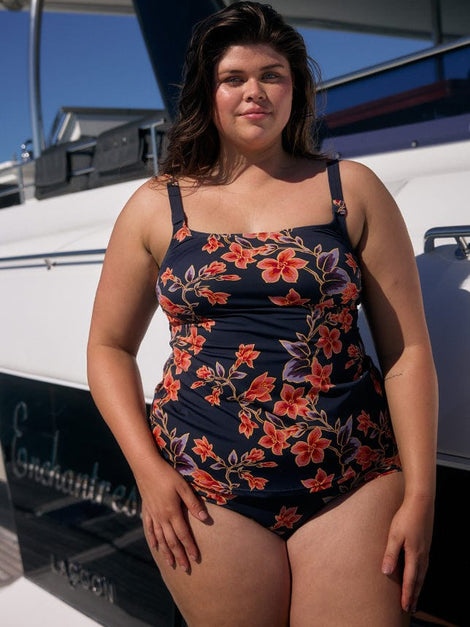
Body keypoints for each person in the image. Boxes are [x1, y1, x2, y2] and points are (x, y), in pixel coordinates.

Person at [87, 2, 438, 625]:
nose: (255, 92)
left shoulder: (351, 190)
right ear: (209, 94)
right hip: (203, 490)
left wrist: (422, 493)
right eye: (234, 78)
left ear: (295, 89)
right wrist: (148, 472)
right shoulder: (157, 205)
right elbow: (108, 348)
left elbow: (407, 351)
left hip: (353, 478)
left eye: (272, 75)